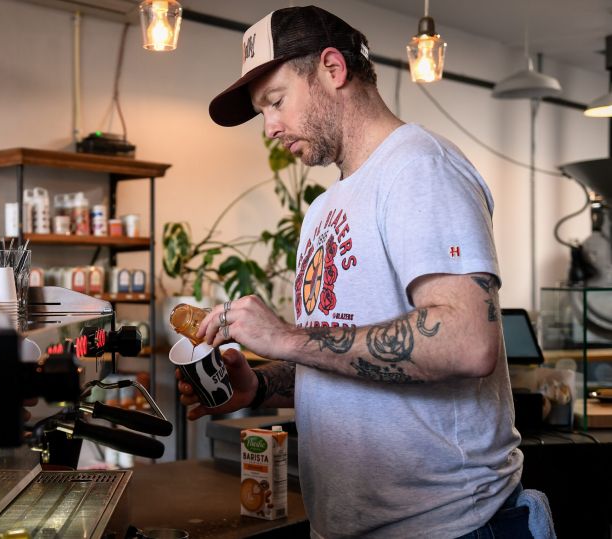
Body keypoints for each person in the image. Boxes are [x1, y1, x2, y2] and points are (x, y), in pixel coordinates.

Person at [176, 5, 545, 538]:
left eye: (276, 103)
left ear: (332, 68)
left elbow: (468, 343)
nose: (271, 128)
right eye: (262, 114)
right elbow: (346, 360)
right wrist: (259, 385)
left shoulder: (420, 168)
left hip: (448, 525)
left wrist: (287, 336)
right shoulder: (327, 207)